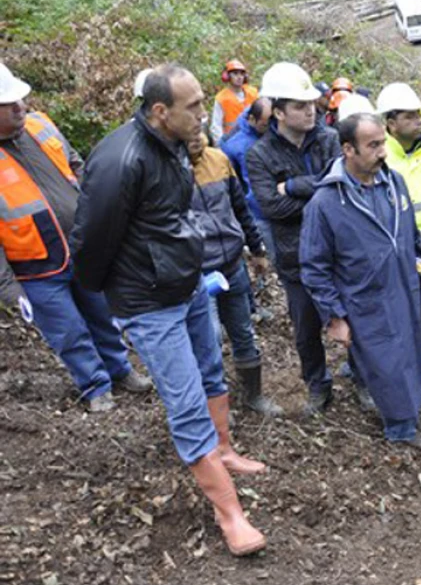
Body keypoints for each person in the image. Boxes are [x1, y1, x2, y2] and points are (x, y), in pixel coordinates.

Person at [72, 64, 266, 556]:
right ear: (161, 112)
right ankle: (231, 514)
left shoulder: (177, 144)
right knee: (184, 399)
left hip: (187, 280)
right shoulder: (122, 160)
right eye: (194, 106)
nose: (205, 113)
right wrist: (107, 293)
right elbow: (92, 237)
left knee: (211, 369)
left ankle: (224, 450)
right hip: (148, 299)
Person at [0, 62, 147, 412]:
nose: (21, 107)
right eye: (9, 104)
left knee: (102, 314)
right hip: (36, 268)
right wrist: (9, 288)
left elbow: (76, 163)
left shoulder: (40, 124)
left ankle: (120, 370)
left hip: (82, 249)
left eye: (20, 99)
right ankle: (95, 384)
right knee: (68, 332)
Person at [299, 113, 421, 449]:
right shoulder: (326, 203)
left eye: (382, 143)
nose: (382, 152)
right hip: (364, 299)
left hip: (402, 287)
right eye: (372, 145)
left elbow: (408, 236)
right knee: (385, 363)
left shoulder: (393, 184)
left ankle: (409, 409)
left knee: (407, 353)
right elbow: (313, 266)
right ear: (348, 149)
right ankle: (401, 429)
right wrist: (334, 315)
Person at [247, 62, 341, 415]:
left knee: (355, 318)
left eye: (312, 104)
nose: (311, 111)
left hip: (338, 251)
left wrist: (296, 186)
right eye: (301, 106)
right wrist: (319, 189)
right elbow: (272, 206)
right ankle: (318, 386)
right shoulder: (261, 154)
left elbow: (341, 189)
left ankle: (365, 380)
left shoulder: (330, 139)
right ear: (280, 112)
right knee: (306, 329)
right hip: (295, 255)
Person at [187, 131, 281, 417]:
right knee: (209, 337)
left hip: (231, 262)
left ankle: (253, 395)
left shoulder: (218, 159)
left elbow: (240, 208)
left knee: (242, 331)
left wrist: (257, 249)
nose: (194, 136)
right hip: (196, 271)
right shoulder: (167, 170)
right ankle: (214, 402)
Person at [377, 83, 421, 390]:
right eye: (409, 116)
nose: (418, 121)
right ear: (391, 123)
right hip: (393, 247)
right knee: (398, 311)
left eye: (418, 115)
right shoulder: (381, 156)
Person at [220, 98, 275, 256]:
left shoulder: (272, 129)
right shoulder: (232, 144)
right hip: (257, 213)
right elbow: (232, 186)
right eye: (265, 124)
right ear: (252, 119)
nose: (270, 127)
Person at [209, 60, 258, 144]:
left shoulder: (253, 93)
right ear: (227, 76)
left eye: (242, 74)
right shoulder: (221, 98)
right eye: (235, 73)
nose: (239, 77)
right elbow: (216, 126)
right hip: (231, 141)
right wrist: (221, 145)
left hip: (252, 139)